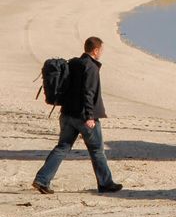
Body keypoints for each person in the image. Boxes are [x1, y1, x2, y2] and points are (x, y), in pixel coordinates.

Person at [32, 36, 122, 195]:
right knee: (97, 150)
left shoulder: (73, 63)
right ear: (95, 50)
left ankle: (42, 179)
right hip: (83, 116)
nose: (101, 53)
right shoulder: (91, 67)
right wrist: (90, 117)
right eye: (101, 50)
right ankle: (106, 183)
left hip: (67, 114)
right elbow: (89, 93)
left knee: (62, 147)